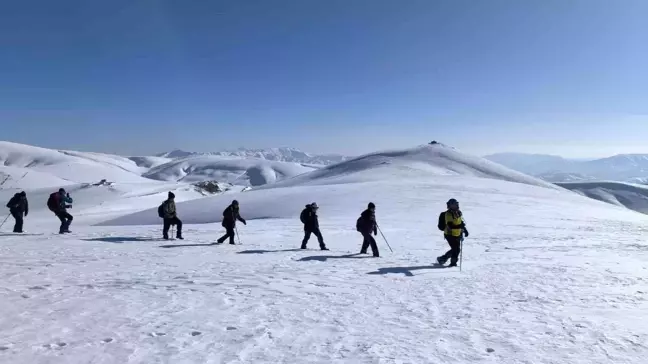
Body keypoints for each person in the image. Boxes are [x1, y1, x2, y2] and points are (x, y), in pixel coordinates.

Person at [437, 198, 469, 267]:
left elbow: (460, 222)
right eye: (454, 204)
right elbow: (450, 226)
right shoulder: (448, 214)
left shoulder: (458, 212)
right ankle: (453, 263)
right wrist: (460, 226)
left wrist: (465, 229)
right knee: (456, 249)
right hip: (449, 234)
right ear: (449, 206)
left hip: (457, 234)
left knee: (456, 249)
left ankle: (442, 258)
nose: (456, 205)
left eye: (456, 204)